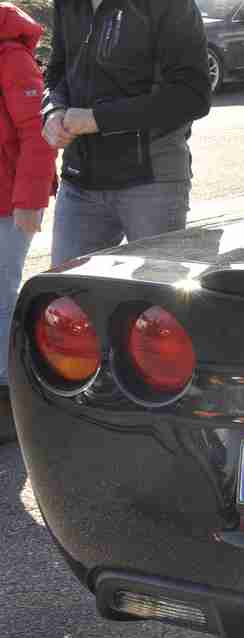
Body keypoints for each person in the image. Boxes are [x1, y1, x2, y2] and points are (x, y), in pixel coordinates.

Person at [41, 0, 211, 266]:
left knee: (156, 289)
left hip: (151, 182)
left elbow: (192, 95)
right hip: (79, 181)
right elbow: (57, 74)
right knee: (66, 289)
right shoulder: (67, 3)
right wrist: (53, 110)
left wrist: (98, 119)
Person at [0, 1, 56, 420]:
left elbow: (37, 134)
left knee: (1, 297)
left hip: (8, 202)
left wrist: (30, 201)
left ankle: (9, 392)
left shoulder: (11, 57)